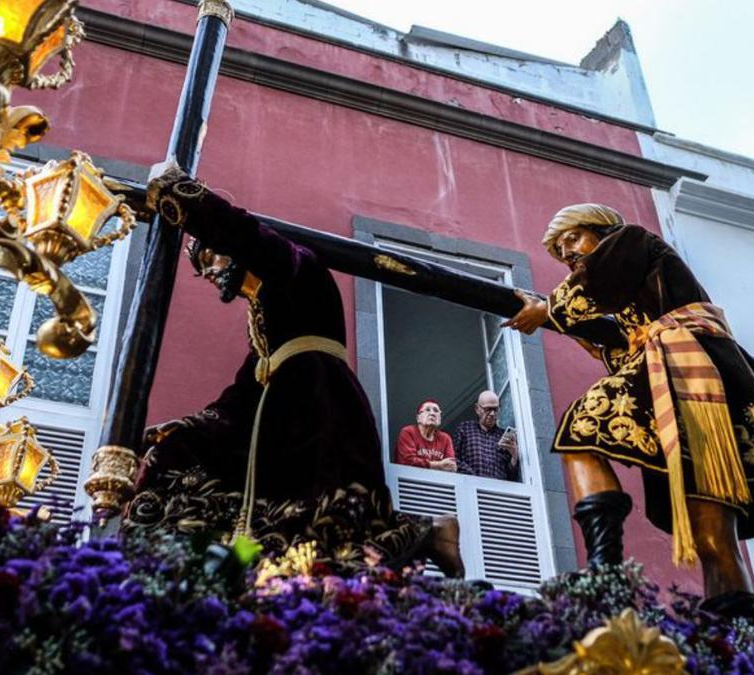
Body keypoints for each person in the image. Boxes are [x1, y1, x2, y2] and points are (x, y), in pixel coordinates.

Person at [124, 164, 463, 577]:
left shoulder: (298, 269)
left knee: (326, 527)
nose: (210, 273)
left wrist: (188, 199)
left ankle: (428, 534)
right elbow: (243, 392)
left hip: (319, 411)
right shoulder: (262, 320)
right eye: (201, 268)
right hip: (278, 419)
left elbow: (250, 237)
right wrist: (189, 428)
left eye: (211, 255)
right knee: (187, 467)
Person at [503, 203, 754, 619]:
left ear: (603, 231)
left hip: (683, 363)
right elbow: (623, 342)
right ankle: (737, 637)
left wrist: (548, 310)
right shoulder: (635, 289)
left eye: (573, 239)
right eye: (561, 252)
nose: (569, 255)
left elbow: (595, 283)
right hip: (697, 383)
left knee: (579, 430)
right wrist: (596, 340)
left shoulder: (631, 240)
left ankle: (606, 568)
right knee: (713, 536)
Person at [453, 391, 520, 481]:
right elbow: (453, 459)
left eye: (495, 409)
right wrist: (473, 477)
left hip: (498, 492)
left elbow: (511, 477)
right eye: (488, 409)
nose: (492, 414)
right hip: (471, 488)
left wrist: (514, 455)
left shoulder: (503, 436)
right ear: (477, 409)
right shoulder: (465, 429)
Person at [395, 399, 457, 472]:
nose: (432, 413)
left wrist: (424, 464)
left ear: (440, 419)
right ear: (418, 418)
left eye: (436, 411)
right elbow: (407, 462)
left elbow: (451, 467)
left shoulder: (445, 438)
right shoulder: (408, 432)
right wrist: (437, 465)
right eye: (427, 410)